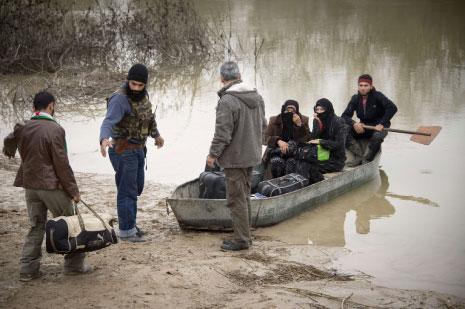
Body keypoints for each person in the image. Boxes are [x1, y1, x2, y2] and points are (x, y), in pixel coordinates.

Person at [2, 91, 92, 281]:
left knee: (36, 226)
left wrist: (9, 152)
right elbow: (62, 164)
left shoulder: (22, 127)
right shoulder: (55, 129)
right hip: (51, 186)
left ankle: (28, 270)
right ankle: (74, 266)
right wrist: (73, 191)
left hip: (30, 186)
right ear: (51, 106)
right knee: (71, 222)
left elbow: (9, 140)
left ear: (34, 108)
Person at [99, 63, 164, 243]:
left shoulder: (143, 97)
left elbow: (148, 119)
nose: (135, 88)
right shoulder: (119, 99)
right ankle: (127, 231)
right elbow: (108, 121)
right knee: (127, 191)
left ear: (145, 85)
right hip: (123, 150)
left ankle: (130, 225)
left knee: (136, 188)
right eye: (132, 84)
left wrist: (156, 136)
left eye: (140, 85)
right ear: (128, 81)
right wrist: (103, 139)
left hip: (138, 150)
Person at [206, 61, 267, 251]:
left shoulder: (227, 101)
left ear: (222, 79)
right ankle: (245, 235)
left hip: (235, 158)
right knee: (244, 196)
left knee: (235, 199)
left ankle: (241, 240)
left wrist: (212, 155)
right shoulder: (257, 96)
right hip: (252, 155)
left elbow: (222, 134)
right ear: (239, 76)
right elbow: (263, 127)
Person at [341, 74, 397, 164]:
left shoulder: (378, 96)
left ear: (371, 86)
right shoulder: (355, 98)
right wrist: (354, 124)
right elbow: (344, 116)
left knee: (377, 136)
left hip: (379, 127)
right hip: (364, 127)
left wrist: (382, 123)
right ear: (358, 86)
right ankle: (358, 154)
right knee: (344, 130)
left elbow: (392, 108)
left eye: (366, 85)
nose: (363, 88)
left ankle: (367, 160)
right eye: (361, 85)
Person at [295, 98, 347, 183]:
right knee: (299, 162)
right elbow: (312, 138)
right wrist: (317, 124)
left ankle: (319, 185)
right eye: (317, 109)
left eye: (322, 109)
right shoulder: (317, 120)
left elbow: (339, 144)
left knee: (309, 167)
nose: (319, 112)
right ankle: (299, 186)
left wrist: (321, 141)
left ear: (328, 109)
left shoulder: (339, 122)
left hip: (335, 160)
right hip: (319, 155)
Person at [265, 100, 310, 178]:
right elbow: (265, 137)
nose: (290, 112)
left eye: (292, 110)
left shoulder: (304, 120)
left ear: (297, 111)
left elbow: (307, 139)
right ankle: (277, 182)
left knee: (291, 162)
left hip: (295, 152)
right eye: (288, 110)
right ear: (283, 110)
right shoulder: (274, 120)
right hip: (276, 152)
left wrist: (299, 125)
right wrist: (278, 141)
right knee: (276, 162)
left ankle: (290, 184)